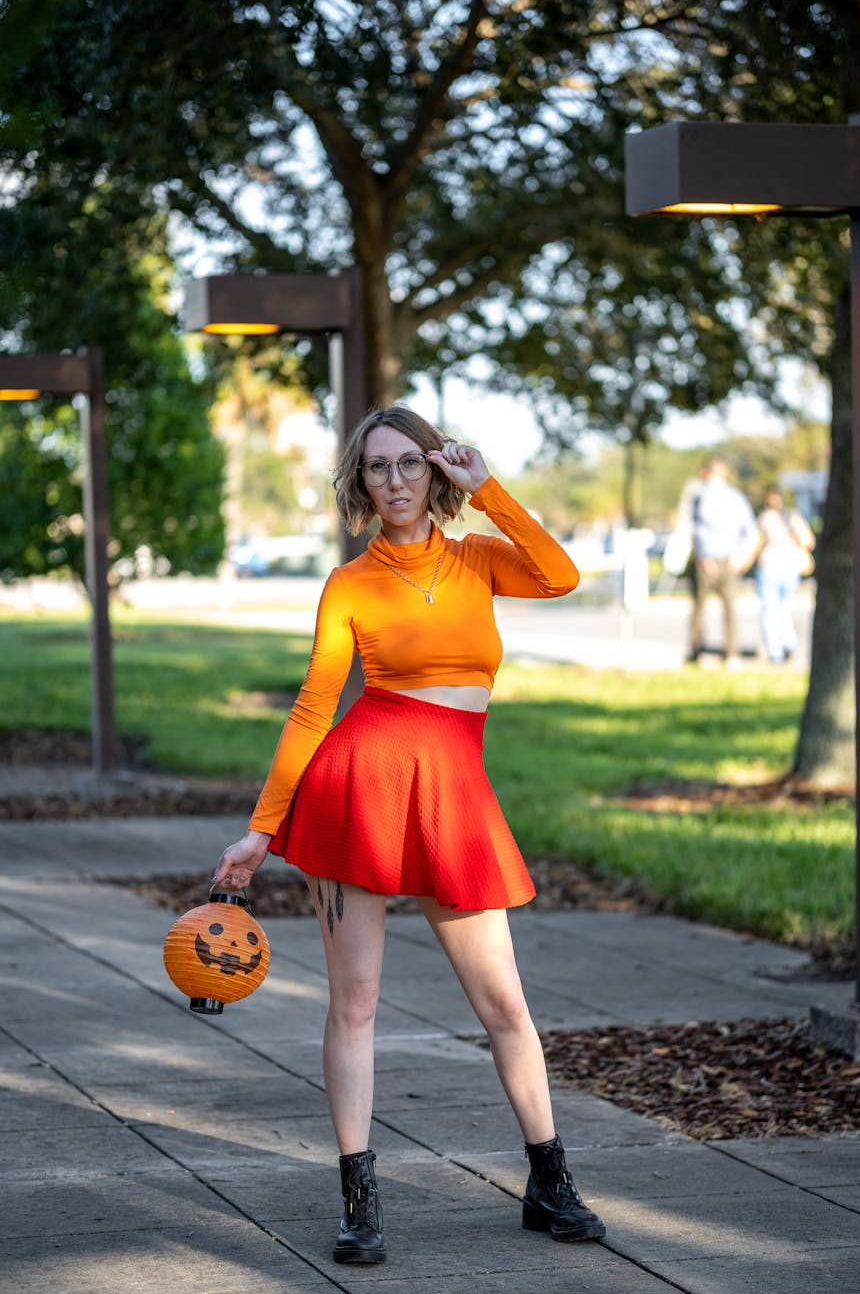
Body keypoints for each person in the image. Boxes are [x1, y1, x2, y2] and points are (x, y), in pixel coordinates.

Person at [212, 405, 606, 1265]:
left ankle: (549, 1181)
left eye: (408, 465)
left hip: (454, 798)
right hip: (359, 791)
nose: (393, 482)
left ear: (435, 473)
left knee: (503, 1003)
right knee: (354, 1005)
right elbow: (316, 706)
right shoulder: (349, 583)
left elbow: (562, 573)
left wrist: (489, 486)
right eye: (376, 469)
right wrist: (260, 831)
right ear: (360, 485)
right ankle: (359, 1203)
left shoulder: (479, 562)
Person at [685, 455, 758, 668]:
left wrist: (703, 555)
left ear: (707, 472)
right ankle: (731, 654)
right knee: (729, 610)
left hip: (712, 559)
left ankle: (696, 651)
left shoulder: (702, 495)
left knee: (701, 608)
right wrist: (741, 557)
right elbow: (751, 531)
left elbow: (696, 530)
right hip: (727, 559)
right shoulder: (737, 497)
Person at [752, 484, 816, 664]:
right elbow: (809, 541)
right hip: (790, 568)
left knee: (770, 609)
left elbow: (755, 543)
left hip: (770, 567)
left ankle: (776, 651)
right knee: (784, 608)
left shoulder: (765, 518)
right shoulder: (793, 517)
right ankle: (789, 643)